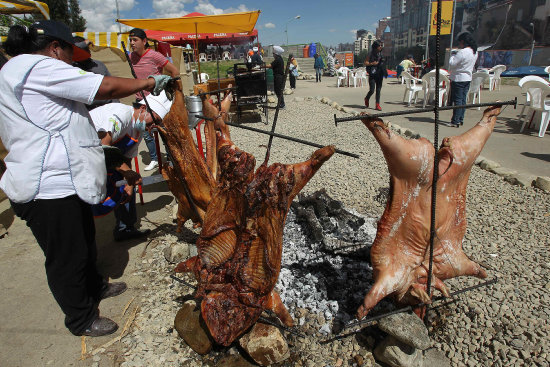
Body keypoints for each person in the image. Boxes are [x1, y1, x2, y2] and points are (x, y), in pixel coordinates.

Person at [0, 20, 172, 337]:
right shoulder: (37, 67)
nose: (73, 61)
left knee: (83, 241)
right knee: (66, 257)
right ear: (55, 48)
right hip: (45, 185)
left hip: (64, 180)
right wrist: (147, 83)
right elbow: (104, 87)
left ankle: (94, 287)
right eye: (70, 53)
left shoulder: (27, 70)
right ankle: (81, 319)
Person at [90, 92, 172, 241]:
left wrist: (128, 182)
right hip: (88, 159)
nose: (153, 126)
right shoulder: (119, 115)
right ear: (142, 109)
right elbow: (103, 146)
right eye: (153, 120)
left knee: (128, 189)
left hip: (110, 163)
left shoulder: (138, 130)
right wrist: (127, 172)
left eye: (157, 123)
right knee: (85, 204)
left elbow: (127, 156)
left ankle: (125, 229)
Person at [129, 28, 179, 171]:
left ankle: (171, 157)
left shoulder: (154, 56)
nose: (132, 43)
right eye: (130, 40)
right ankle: (154, 159)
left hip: (157, 100)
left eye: (135, 40)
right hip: (140, 99)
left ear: (144, 41)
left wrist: (173, 90)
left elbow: (174, 70)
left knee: (164, 130)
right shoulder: (131, 57)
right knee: (145, 132)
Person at [73, 36, 119, 110]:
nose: (87, 51)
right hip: (88, 111)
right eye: (82, 48)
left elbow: (112, 87)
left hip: (107, 107)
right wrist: (84, 43)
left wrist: (117, 107)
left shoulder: (99, 64)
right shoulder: (72, 68)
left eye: (87, 48)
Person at [448, 32, 478, 127]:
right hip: (467, 78)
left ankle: (455, 120)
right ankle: (460, 119)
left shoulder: (462, 52)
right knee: (463, 99)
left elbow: (452, 63)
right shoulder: (474, 52)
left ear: (463, 42)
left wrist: (453, 55)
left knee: (457, 100)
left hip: (458, 78)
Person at [364, 41, 387, 111]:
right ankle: (367, 98)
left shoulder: (381, 54)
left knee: (378, 90)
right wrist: (372, 63)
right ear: (375, 46)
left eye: (381, 45)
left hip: (379, 73)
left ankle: (377, 105)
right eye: (379, 45)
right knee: (372, 90)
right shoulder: (370, 54)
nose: (381, 47)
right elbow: (365, 62)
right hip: (372, 74)